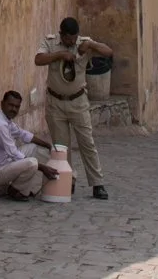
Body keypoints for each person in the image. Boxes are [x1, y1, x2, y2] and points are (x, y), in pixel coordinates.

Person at [35, 16, 111, 199]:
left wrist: (91, 45)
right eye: (69, 39)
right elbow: (38, 59)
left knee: (87, 143)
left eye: (74, 38)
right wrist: (60, 55)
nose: (72, 42)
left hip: (78, 101)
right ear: (62, 35)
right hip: (56, 102)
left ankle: (97, 183)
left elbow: (108, 52)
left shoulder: (83, 43)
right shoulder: (51, 42)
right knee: (62, 147)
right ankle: (68, 181)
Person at [0, 90, 57, 200]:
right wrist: (43, 168)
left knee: (35, 148)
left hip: (3, 163)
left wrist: (48, 146)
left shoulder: (5, 119)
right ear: (2, 104)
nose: (14, 109)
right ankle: (15, 189)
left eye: (17, 107)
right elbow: (13, 153)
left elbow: (24, 134)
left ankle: (31, 188)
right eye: (10, 105)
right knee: (32, 162)